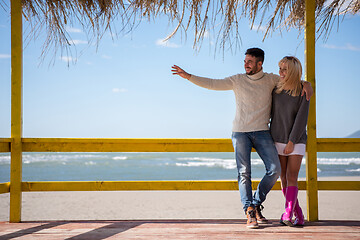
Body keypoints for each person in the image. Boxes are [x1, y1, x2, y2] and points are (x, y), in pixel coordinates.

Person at [171, 48, 313, 229]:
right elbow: (213, 84)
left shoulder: (271, 80)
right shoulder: (237, 80)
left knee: (275, 170)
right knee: (244, 173)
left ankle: (255, 202)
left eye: (250, 61)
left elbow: (292, 79)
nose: (245, 64)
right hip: (240, 132)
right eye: (245, 61)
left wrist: (306, 84)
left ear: (259, 64)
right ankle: (250, 211)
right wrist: (189, 76)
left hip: (263, 132)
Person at [270, 56, 310, 227]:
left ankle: (287, 213)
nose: (281, 72)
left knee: (292, 176)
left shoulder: (303, 89)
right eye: (280, 68)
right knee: (283, 179)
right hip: (277, 138)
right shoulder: (275, 89)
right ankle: (298, 214)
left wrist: (292, 141)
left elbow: (302, 117)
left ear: (293, 71)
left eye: (285, 69)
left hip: (297, 139)